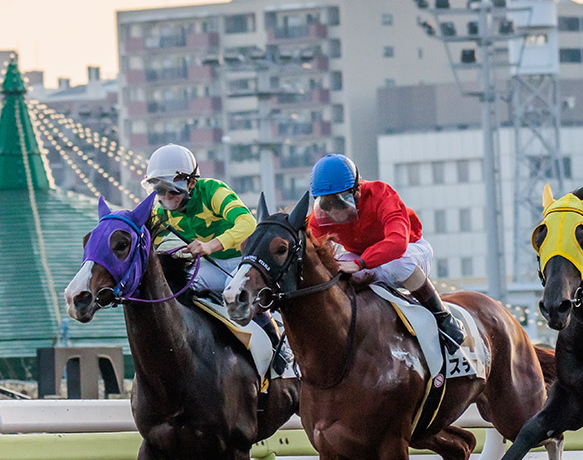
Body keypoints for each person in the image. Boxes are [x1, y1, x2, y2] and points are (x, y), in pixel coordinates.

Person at [144, 144, 288, 374]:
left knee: (239, 293)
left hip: (242, 264)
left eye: (173, 190)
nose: (167, 198)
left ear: (191, 182)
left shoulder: (213, 190)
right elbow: (146, 244)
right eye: (161, 191)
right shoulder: (161, 212)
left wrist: (210, 245)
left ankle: (276, 343)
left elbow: (247, 224)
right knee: (176, 285)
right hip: (211, 267)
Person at [306, 153, 465, 353]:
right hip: (363, 258)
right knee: (336, 268)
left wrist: (362, 263)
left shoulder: (381, 194)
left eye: (339, 202)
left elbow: (397, 242)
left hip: (410, 251)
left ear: (355, 191)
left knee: (397, 264)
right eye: (326, 204)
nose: (333, 212)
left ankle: (443, 318)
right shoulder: (318, 218)